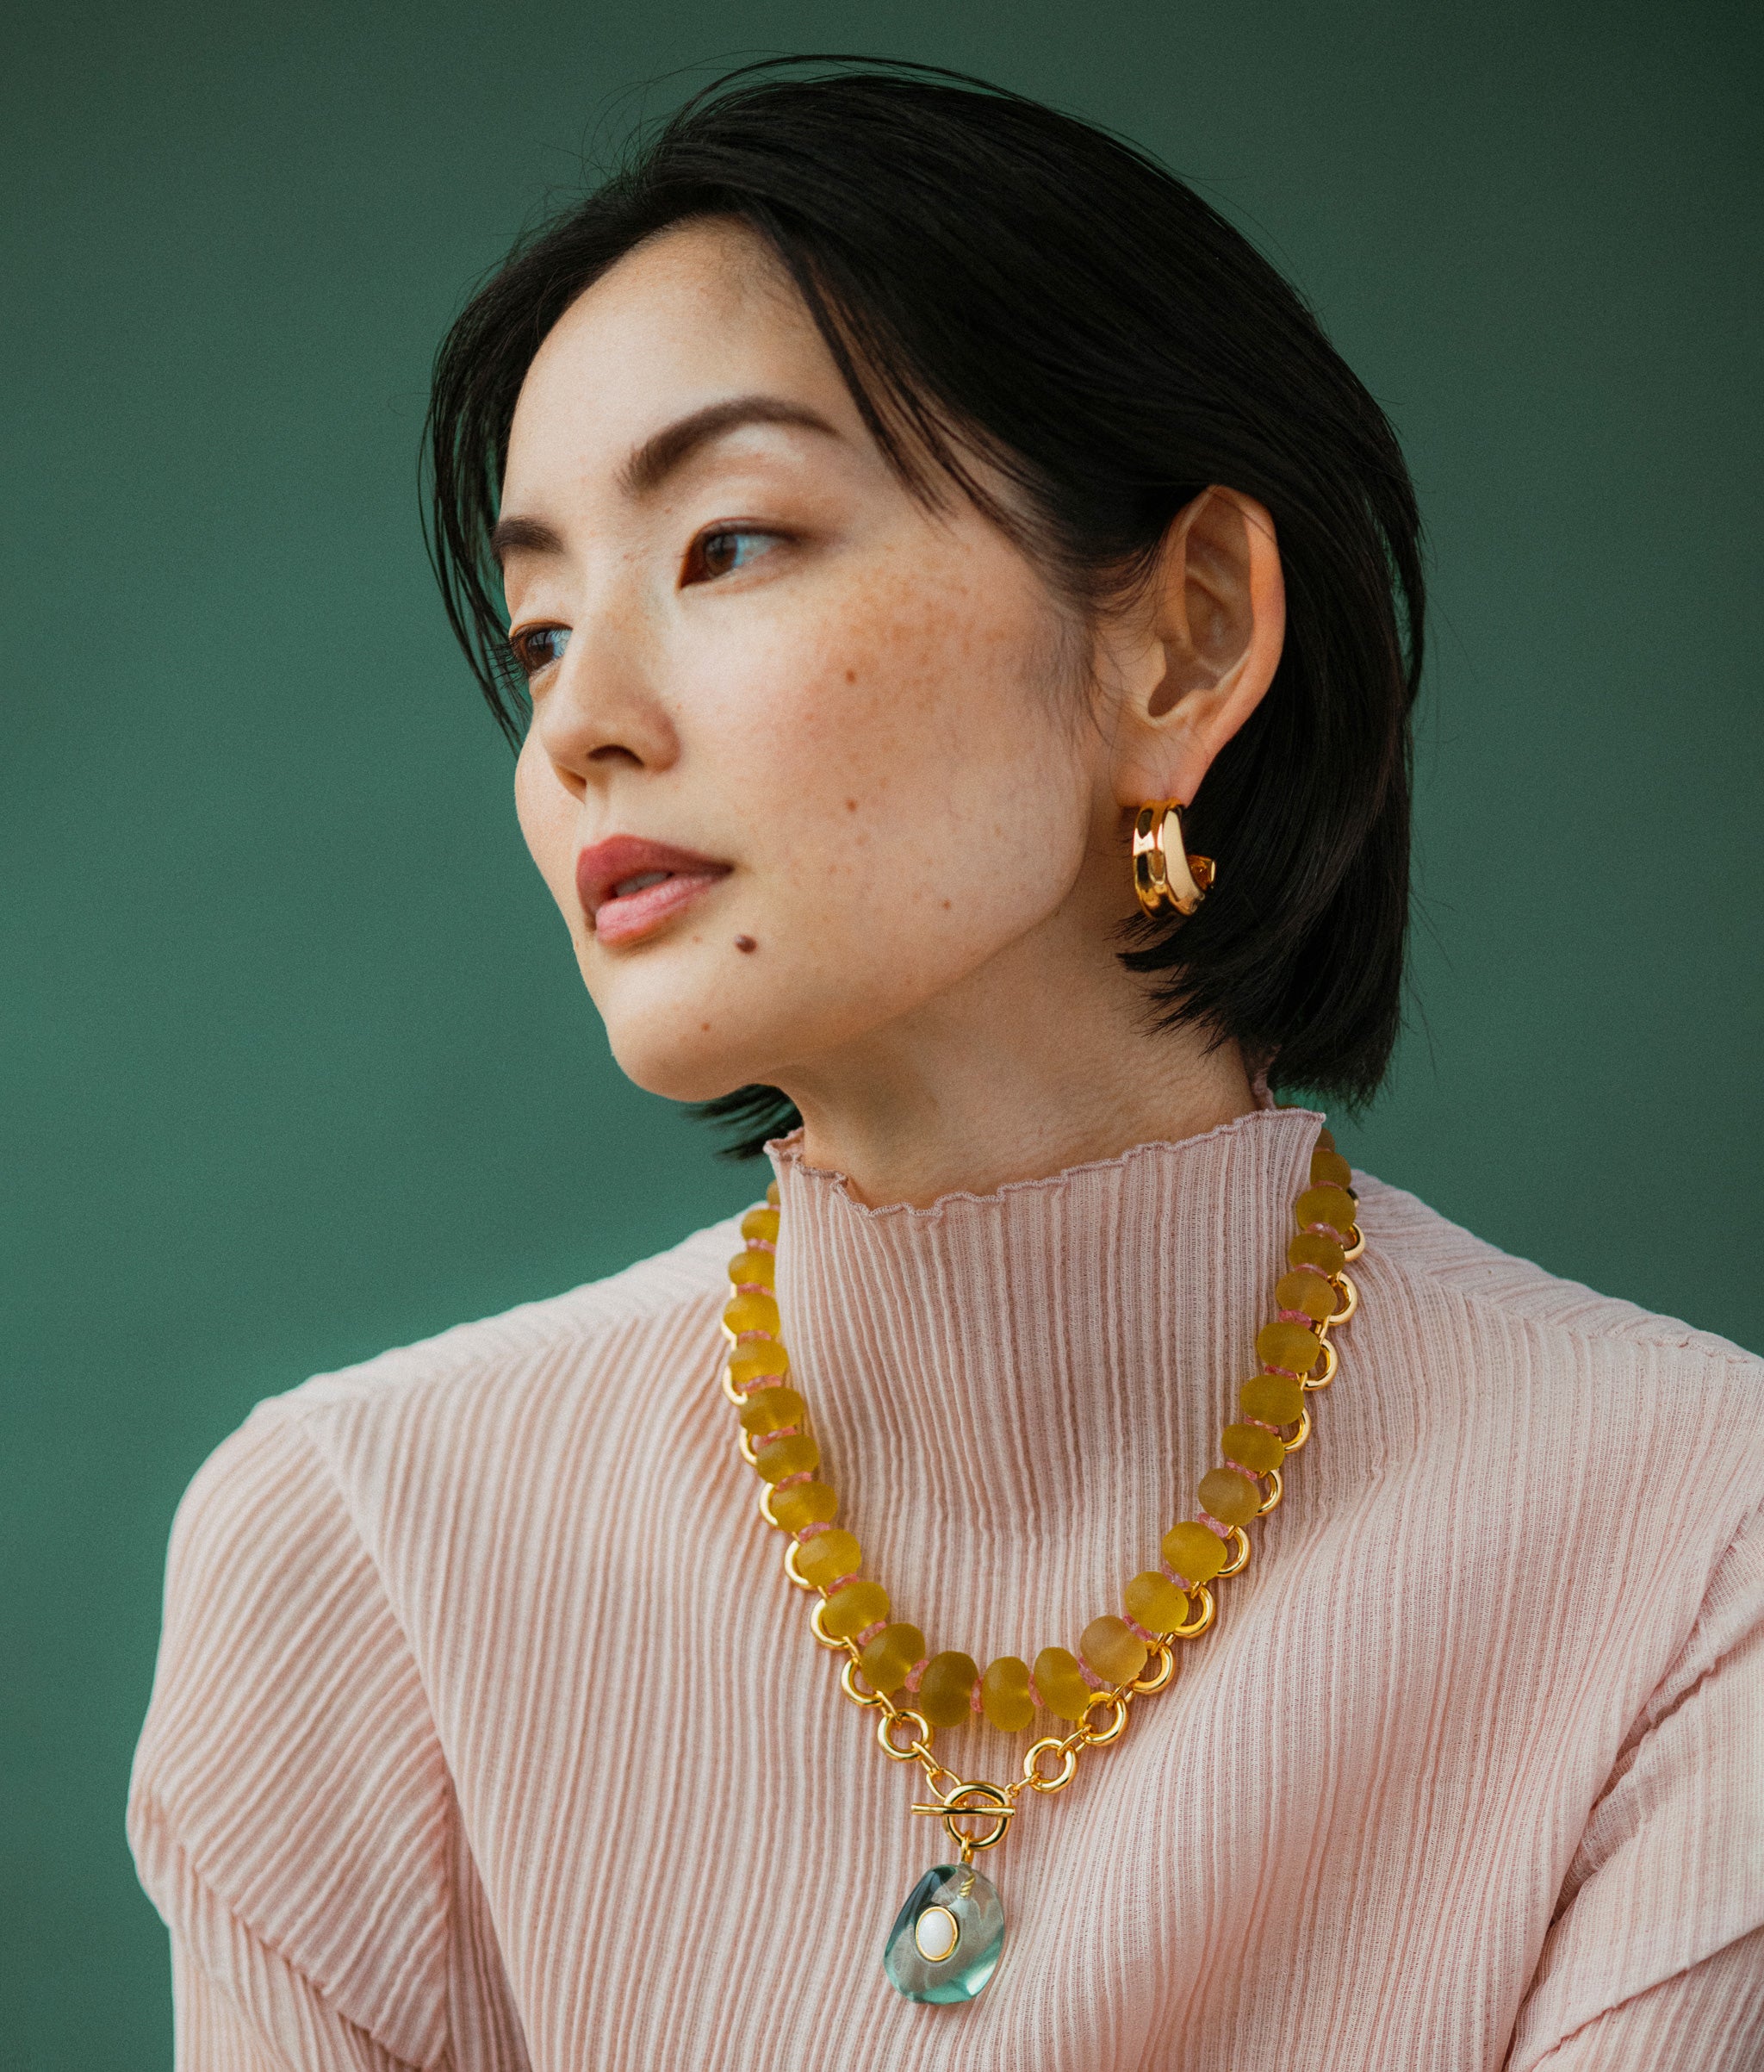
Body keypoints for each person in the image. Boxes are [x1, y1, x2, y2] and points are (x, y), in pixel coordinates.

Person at [127, 59, 1764, 2070]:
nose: (578, 730)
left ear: (1182, 639)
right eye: (541, 630)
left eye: (726, 544)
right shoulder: (358, 1556)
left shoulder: (1702, 1550)